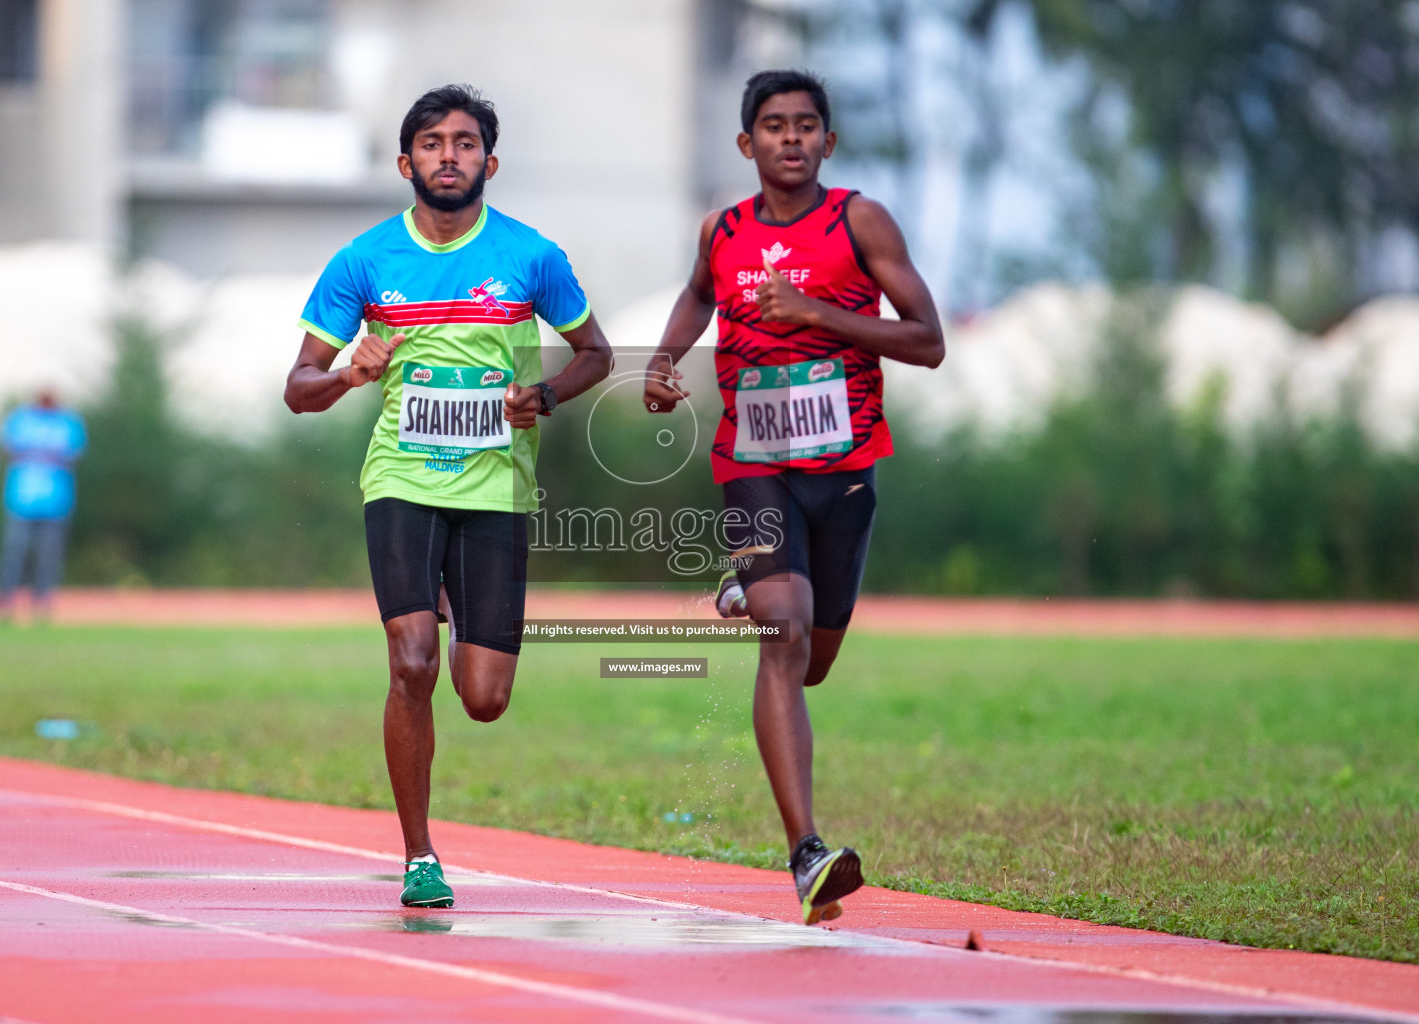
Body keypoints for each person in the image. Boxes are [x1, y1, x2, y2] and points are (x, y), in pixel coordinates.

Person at [284, 84, 612, 910]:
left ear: (489, 162)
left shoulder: (532, 256)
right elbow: (297, 387)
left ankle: (452, 598)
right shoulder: (364, 261)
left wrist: (549, 395)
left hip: (497, 484)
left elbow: (596, 355)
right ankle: (419, 857)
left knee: (485, 698)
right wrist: (349, 373)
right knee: (411, 665)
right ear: (406, 163)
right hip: (401, 477)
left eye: (466, 143)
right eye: (432, 144)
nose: (449, 156)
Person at [643, 70, 944, 924]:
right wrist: (666, 362)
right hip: (753, 461)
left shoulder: (861, 221)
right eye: (773, 126)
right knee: (784, 635)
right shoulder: (722, 231)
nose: (790, 138)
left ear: (828, 142)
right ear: (748, 145)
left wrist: (818, 311)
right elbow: (700, 293)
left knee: (813, 658)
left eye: (806, 125)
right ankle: (807, 850)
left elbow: (928, 341)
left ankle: (749, 590)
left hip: (843, 469)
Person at [0, 388, 87, 621]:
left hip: (56, 502)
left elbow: (76, 454)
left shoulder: (68, 422)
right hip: (21, 499)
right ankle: (4, 601)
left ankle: (41, 603)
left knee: (49, 557)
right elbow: (5, 449)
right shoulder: (20, 419)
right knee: (13, 553)